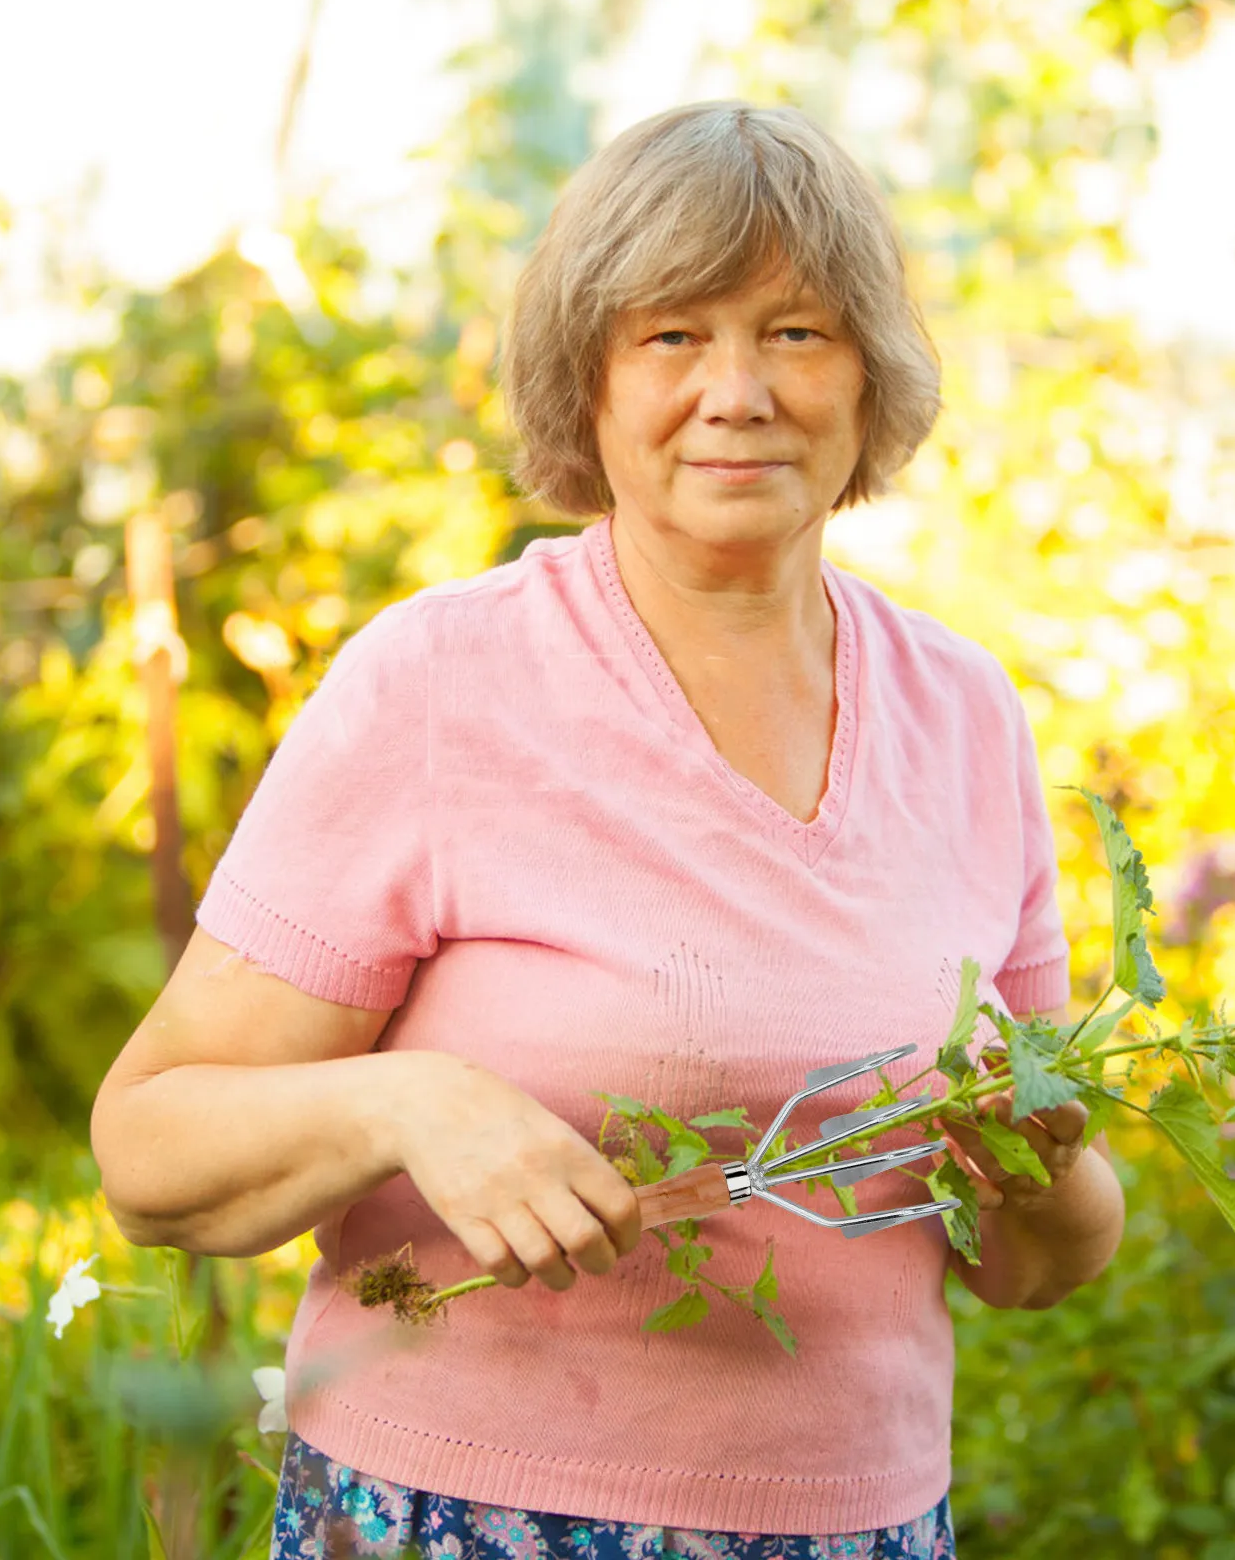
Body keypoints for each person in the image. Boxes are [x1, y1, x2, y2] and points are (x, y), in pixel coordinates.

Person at [90, 101, 1126, 1559]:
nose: (739, 391)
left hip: (864, 1529)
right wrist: (409, 1102)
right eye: (672, 336)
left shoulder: (964, 715)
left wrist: (1052, 1171)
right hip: (458, 1518)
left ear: (869, 377)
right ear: (586, 382)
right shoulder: (442, 682)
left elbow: (1036, 1261)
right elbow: (146, 1153)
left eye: (798, 333)